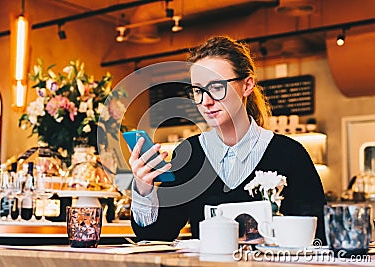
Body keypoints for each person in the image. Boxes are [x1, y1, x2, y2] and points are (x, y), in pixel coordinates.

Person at [129, 36, 327, 243]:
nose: (206, 101)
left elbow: (318, 235)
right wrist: (144, 187)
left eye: (216, 87)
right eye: (198, 90)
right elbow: (157, 236)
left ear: (247, 85)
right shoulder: (190, 152)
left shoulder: (289, 154)